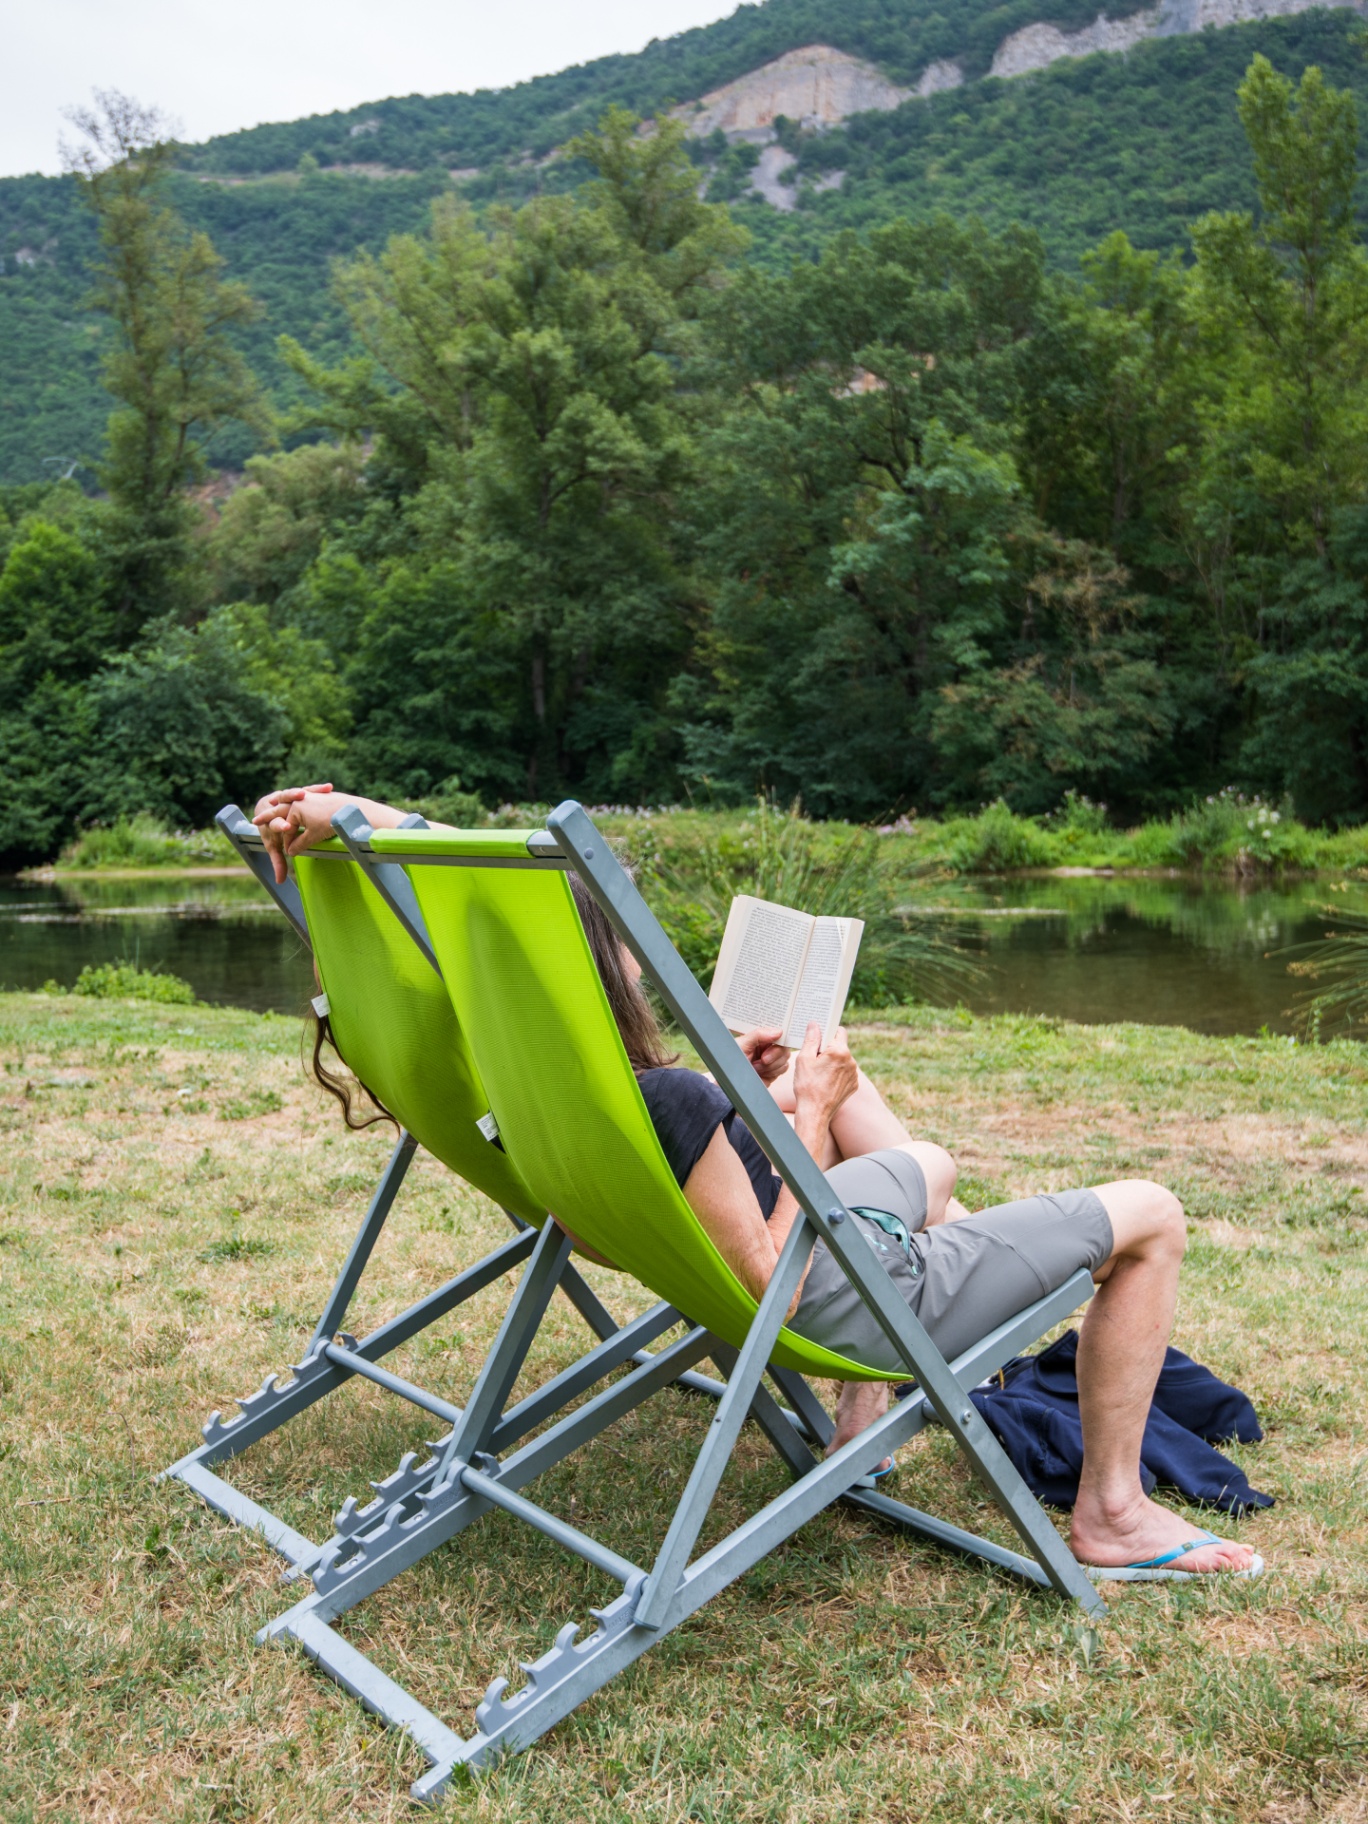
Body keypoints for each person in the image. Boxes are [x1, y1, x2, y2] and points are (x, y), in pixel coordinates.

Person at [253, 783, 1263, 1583]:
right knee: (1152, 1215)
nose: (643, 959)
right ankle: (1110, 1511)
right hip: (847, 1297)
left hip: (721, 1250)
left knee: (929, 1162)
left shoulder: (552, 1089)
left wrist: (348, 812)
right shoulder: (672, 1102)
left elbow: (454, 866)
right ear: (610, 962)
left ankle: (870, 1417)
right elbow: (777, 1279)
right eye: (629, 940)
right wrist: (806, 1113)